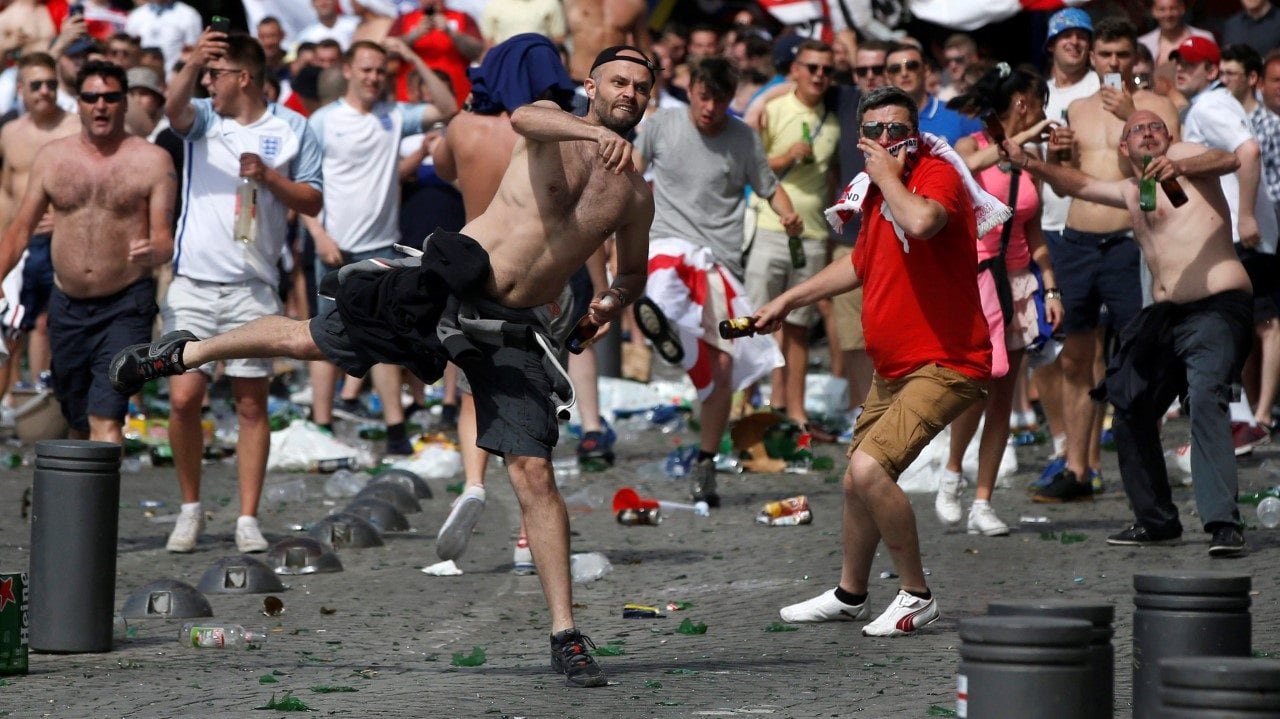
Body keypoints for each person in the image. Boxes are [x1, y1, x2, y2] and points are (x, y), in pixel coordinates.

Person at [112, 45, 659, 688]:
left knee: (534, 472)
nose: (629, 93)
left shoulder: (633, 195)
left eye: (642, 87)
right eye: (618, 81)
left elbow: (631, 271)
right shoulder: (551, 124)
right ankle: (184, 351)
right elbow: (525, 120)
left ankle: (566, 634)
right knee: (309, 341)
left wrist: (607, 304)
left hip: (513, 328)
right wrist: (593, 129)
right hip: (449, 283)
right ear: (590, 86)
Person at [759, 86, 990, 635]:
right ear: (862, 137)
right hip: (896, 366)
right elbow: (860, 264)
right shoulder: (872, 190)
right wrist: (790, 299)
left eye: (897, 130)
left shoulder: (935, 172)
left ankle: (915, 593)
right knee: (852, 481)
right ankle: (850, 592)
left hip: (948, 360)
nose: (887, 140)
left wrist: (887, 174)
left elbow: (923, 223)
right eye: (876, 131)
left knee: (870, 469)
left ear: (914, 133)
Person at [1002, 112, 1251, 556]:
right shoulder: (1132, 192)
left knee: (1206, 396)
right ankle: (1156, 520)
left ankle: (1223, 525)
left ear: (1169, 137)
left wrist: (1183, 166)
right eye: (1137, 130)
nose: (1149, 133)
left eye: (1156, 127)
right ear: (1123, 149)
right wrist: (1029, 163)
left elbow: (1229, 159)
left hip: (1217, 306)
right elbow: (1077, 185)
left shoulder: (1188, 158)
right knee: (1129, 399)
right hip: (1165, 316)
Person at [158, 29, 323, 554]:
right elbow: (172, 105)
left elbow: (314, 201)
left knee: (252, 405)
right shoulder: (205, 119)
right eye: (206, 75)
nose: (208, 83)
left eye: (216, 74)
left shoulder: (294, 128)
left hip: (253, 286)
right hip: (194, 285)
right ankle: (190, 508)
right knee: (184, 396)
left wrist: (270, 178)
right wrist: (191, 62)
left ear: (244, 77)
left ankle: (247, 517)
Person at [430, 32, 578, 572]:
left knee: (472, 386)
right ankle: (525, 534)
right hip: (541, 276)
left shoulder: (466, 128)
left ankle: (473, 484)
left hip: (474, 268)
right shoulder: (558, 135)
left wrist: (468, 107)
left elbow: (442, 167)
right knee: (531, 398)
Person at [636, 55, 799, 506]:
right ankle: (664, 328)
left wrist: (788, 213)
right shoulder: (661, 125)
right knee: (663, 286)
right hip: (667, 244)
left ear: (731, 100)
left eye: (721, 100)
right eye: (704, 97)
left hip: (722, 263)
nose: (710, 108)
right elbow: (628, 173)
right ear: (691, 89)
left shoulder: (743, 138)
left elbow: (768, 186)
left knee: (724, 369)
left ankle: (705, 462)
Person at [1033, 17, 1181, 503]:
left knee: (1134, 356)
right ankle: (1078, 468)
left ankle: (1143, 473)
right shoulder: (1076, 107)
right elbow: (1064, 184)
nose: (1114, 64)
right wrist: (1061, 159)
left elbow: (1160, 180)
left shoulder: (1156, 106)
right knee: (1075, 357)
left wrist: (1134, 113)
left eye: (1122, 56)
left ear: (1134, 60)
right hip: (1076, 240)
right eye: (1106, 55)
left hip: (1125, 242)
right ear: (1094, 58)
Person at [0, 60, 173, 443]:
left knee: (105, 415)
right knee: (77, 417)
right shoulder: (53, 158)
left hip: (126, 303)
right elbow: (20, 230)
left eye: (111, 97)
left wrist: (153, 250)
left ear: (124, 103)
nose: (101, 105)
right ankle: (77, 502)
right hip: (68, 304)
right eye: (91, 97)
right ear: (77, 103)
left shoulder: (151, 160)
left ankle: (101, 505)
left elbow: (165, 241)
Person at [304, 38, 456, 455]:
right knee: (322, 337)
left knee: (387, 337)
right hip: (335, 245)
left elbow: (447, 109)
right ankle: (320, 424)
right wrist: (318, 234)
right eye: (366, 69)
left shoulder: (393, 116)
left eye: (380, 71)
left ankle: (394, 430)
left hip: (382, 250)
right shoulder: (323, 121)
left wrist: (412, 57)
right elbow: (304, 185)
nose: (373, 78)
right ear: (349, 70)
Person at [936, 64, 1063, 536]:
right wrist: (1016, 143)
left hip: (1018, 280)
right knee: (978, 380)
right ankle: (952, 473)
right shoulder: (970, 145)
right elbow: (961, 171)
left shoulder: (1028, 159)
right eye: (1040, 103)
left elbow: (1034, 230)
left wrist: (1050, 286)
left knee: (1005, 393)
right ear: (1025, 103)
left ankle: (983, 502)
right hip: (977, 275)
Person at [1174, 36, 1279, 445]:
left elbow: (1248, 152)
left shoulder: (1210, 105)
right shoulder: (1216, 102)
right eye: (1179, 62)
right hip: (1237, 232)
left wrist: (1247, 214)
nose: (1182, 69)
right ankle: (1244, 417)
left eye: (1193, 64)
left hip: (1238, 234)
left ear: (1212, 70)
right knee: (1238, 326)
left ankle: (1248, 419)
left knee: (1238, 326)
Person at [747, 38, 838, 437]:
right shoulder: (773, 109)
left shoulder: (834, 120)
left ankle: (795, 412)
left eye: (826, 69)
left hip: (814, 233)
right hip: (770, 226)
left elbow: (832, 178)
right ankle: (745, 410)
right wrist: (787, 157)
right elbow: (748, 163)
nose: (820, 75)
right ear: (796, 70)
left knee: (799, 327)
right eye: (812, 67)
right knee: (753, 321)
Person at [0, 53, 80, 405]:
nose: (45, 91)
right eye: (36, 85)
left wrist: (64, 217)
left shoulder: (76, 127)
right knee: (10, 326)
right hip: (19, 242)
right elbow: (5, 190)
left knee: (53, 324)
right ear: (21, 90)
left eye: (51, 83)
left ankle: (50, 397)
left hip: (64, 239)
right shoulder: (9, 132)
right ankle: (12, 399)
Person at [882, 41, 981, 145]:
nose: (904, 73)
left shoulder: (959, 115)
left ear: (926, 70)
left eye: (912, 66)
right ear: (887, 76)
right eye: (895, 69)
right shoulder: (879, 124)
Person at [564, 0, 649, 83]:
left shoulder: (634, 3)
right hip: (575, 80)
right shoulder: (572, 2)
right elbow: (556, 38)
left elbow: (645, 50)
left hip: (614, 85)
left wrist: (653, 95)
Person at [1138, 0, 1215, 73]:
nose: (1168, 14)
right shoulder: (1144, 43)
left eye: (1173, 9)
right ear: (1153, 12)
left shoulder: (1205, 38)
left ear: (1182, 9)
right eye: (1162, 10)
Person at [124, 0, 202, 71]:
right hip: (141, 78)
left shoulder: (189, 14)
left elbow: (193, 51)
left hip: (173, 78)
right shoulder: (136, 15)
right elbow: (128, 49)